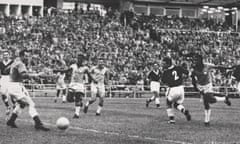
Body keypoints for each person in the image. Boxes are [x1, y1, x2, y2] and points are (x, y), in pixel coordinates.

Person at [5, 50, 49, 131]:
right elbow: (24, 75)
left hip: (11, 85)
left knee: (21, 104)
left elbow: (6, 70)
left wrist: (15, 74)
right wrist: (36, 75)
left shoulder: (15, 62)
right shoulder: (20, 63)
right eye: (25, 56)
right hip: (16, 86)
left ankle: (11, 121)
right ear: (21, 56)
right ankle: (38, 123)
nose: (27, 58)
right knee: (31, 103)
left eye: (28, 56)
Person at [190, 54, 231, 126]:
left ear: (201, 60)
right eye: (194, 60)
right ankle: (224, 98)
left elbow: (217, 66)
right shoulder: (194, 70)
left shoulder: (207, 66)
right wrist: (199, 90)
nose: (195, 62)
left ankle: (206, 121)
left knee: (208, 99)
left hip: (208, 85)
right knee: (206, 102)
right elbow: (193, 82)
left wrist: (229, 67)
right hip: (200, 86)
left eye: (196, 60)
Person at [54, 54, 95, 118]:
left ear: (83, 60)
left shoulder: (85, 68)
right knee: (69, 99)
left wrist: (93, 80)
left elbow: (90, 75)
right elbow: (66, 71)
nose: (78, 60)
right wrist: (58, 70)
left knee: (78, 98)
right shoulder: (73, 66)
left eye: (80, 59)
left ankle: (76, 114)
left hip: (80, 85)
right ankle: (79, 102)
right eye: (78, 58)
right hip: (72, 84)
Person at [161, 57, 191, 124]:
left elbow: (163, 81)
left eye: (164, 64)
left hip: (173, 89)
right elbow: (188, 73)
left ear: (168, 64)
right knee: (176, 104)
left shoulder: (166, 72)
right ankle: (184, 111)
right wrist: (184, 78)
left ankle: (172, 120)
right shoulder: (178, 68)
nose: (163, 65)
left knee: (168, 103)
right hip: (181, 89)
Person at [0, 51, 14, 115]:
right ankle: (8, 106)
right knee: (3, 93)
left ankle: (14, 104)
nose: (5, 56)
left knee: (11, 93)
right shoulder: (1, 62)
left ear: (9, 55)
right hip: (3, 78)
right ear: (3, 56)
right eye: (4, 55)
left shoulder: (12, 62)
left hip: (9, 77)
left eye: (7, 55)